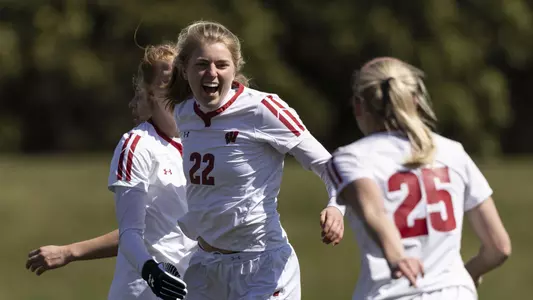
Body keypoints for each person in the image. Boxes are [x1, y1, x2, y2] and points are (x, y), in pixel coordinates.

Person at [159, 20, 345, 300]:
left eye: (221, 64)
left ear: (235, 69)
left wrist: (337, 208)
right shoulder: (184, 113)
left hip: (263, 268)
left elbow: (329, 165)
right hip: (207, 268)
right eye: (202, 64)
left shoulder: (263, 109)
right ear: (185, 70)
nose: (212, 73)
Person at [326, 57, 512, 300]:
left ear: (359, 105)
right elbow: (499, 247)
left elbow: (373, 209)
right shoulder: (453, 151)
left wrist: (397, 258)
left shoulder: (350, 158)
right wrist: (466, 275)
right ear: (414, 100)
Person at [26, 44, 196, 300]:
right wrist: (152, 273)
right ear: (150, 93)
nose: (174, 88)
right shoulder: (137, 146)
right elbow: (131, 233)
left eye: (180, 80)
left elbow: (160, 228)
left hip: (193, 290)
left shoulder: (199, 144)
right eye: (165, 81)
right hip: (144, 292)